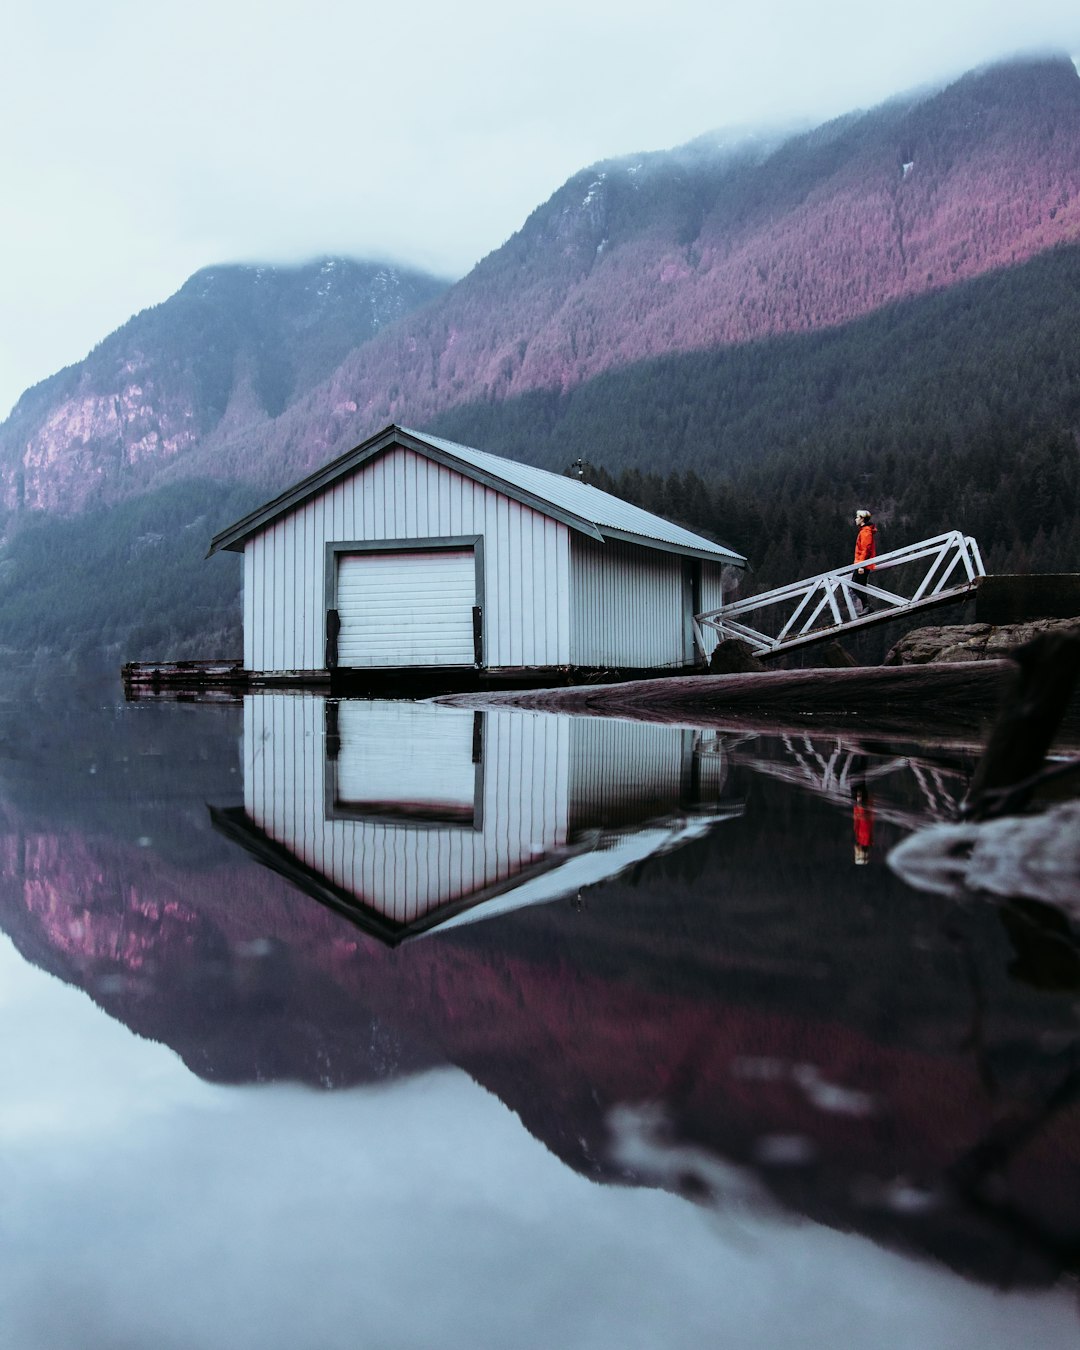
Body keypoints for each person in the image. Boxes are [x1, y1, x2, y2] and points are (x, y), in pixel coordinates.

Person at [852, 508, 877, 614]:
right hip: (861, 563)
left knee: (855, 585)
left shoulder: (866, 532)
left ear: (862, 519)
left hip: (862, 564)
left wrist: (861, 565)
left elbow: (866, 549)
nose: (855, 519)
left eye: (857, 517)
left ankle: (867, 606)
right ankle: (866, 607)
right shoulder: (864, 531)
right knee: (859, 585)